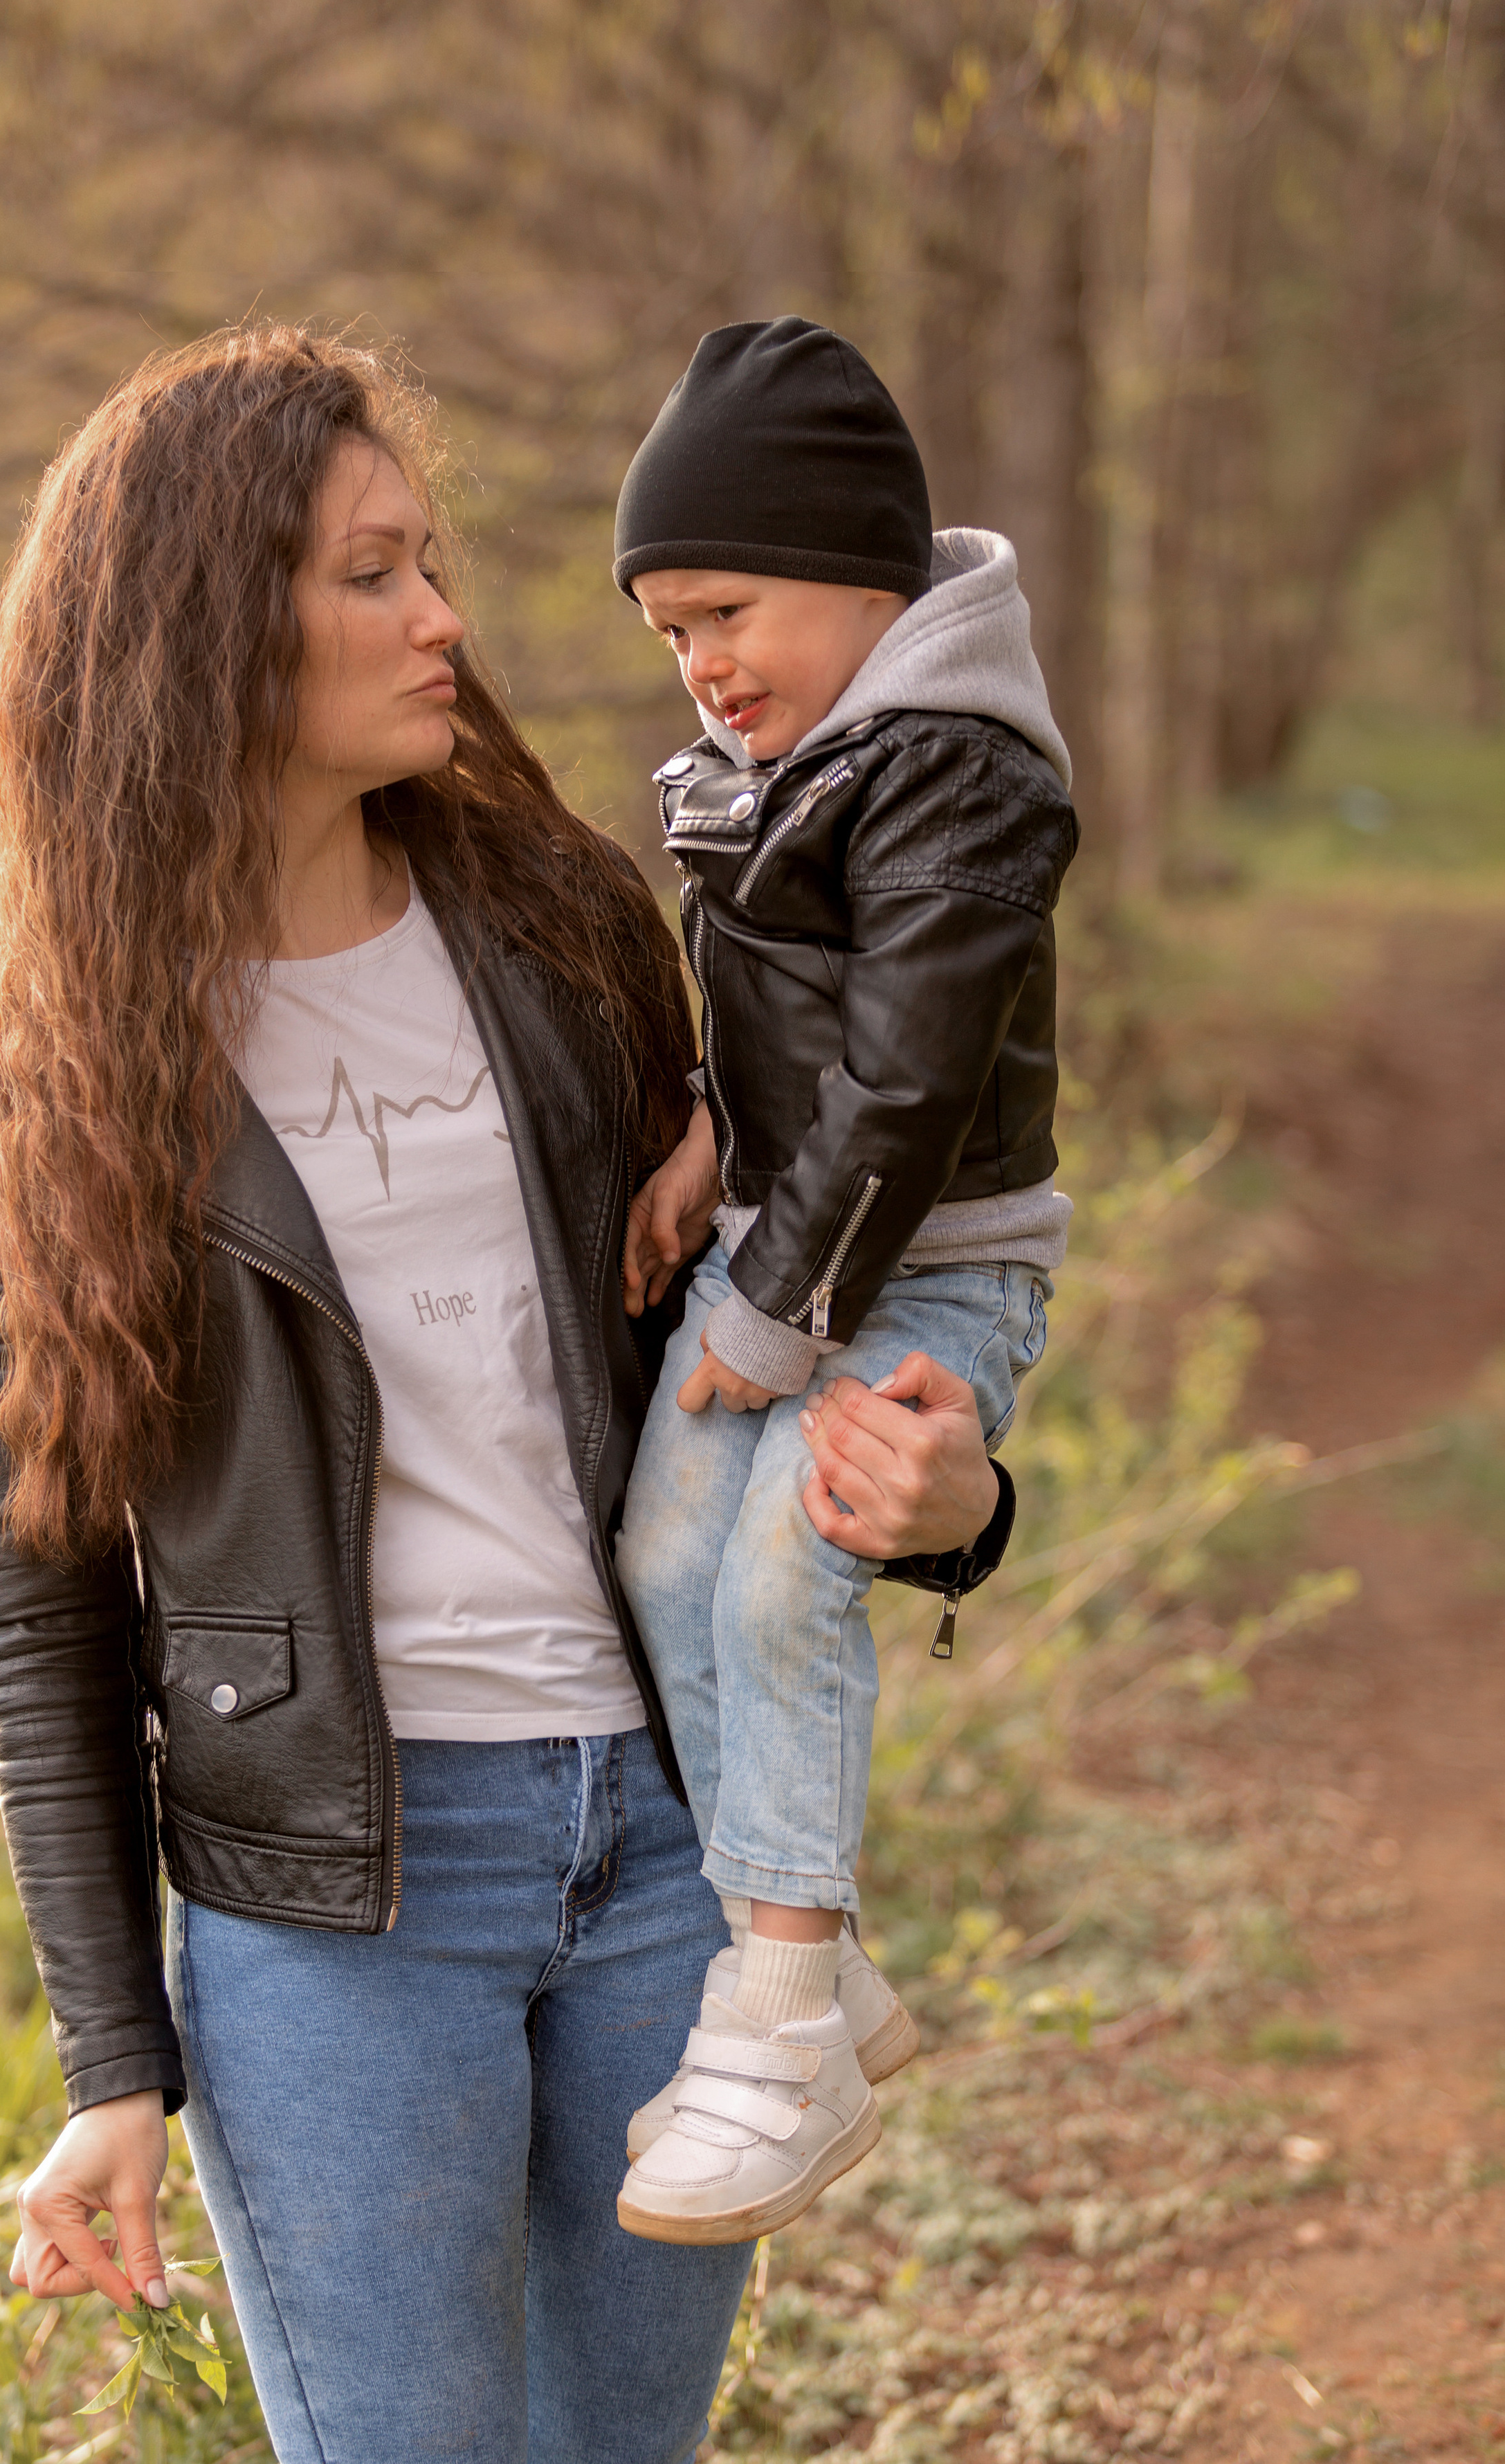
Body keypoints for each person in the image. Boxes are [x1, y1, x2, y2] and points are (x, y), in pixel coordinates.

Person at [0, 323, 1012, 2464]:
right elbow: (39, 1596)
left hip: (667, 1852)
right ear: (207, 630)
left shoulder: (570, 927)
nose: (441, 618)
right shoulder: (18, 1060)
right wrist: (110, 2065)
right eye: (370, 574)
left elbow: (773, 1331)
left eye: (428, 563)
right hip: (336, 1916)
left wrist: (958, 1511)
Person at [607, 318, 1079, 2246]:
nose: (703, 666)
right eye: (670, 635)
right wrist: (709, 1134)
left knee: (783, 1575)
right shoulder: (776, 769)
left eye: (728, 612)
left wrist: (765, 1306)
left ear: (860, 573)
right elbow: (784, 1030)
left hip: (932, 1274)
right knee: (663, 1559)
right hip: (788, 1241)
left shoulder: (962, 778)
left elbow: (906, 1087)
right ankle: (805, 1974)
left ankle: (786, 2008)